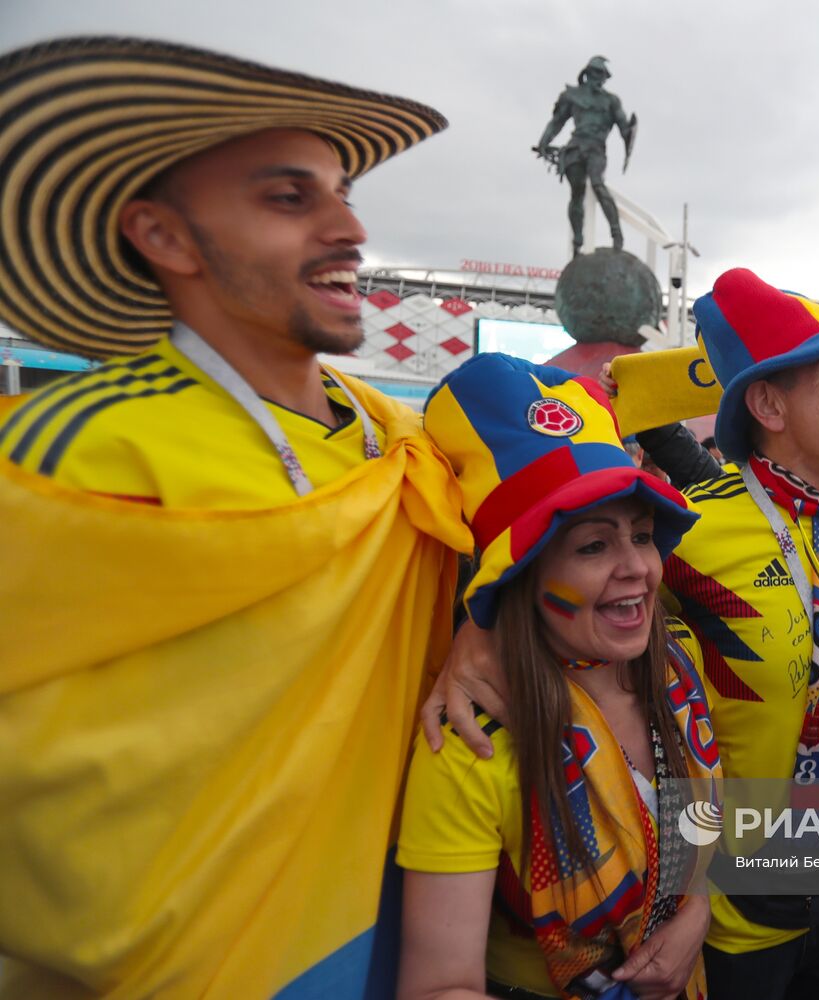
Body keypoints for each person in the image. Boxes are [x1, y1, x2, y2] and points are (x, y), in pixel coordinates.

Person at [0, 37, 471, 998]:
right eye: (289, 197)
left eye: (342, 194)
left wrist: (475, 634)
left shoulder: (401, 438)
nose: (348, 227)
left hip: (404, 934)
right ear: (163, 238)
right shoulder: (71, 452)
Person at [426, 268, 819, 999]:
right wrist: (473, 635)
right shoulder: (691, 528)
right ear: (767, 402)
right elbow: (554, 578)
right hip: (732, 924)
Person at [397, 354, 720, 1000]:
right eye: (593, 546)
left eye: (642, 534)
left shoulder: (680, 666)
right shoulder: (471, 745)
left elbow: (706, 830)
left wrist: (699, 913)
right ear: (523, 575)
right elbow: (437, 987)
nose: (637, 567)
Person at [534, 55, 636, 253]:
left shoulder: (611, 101)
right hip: (575, 147)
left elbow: (624, 128)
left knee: (598, 184)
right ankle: (577, 241)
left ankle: (616, 234)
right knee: (577, 192)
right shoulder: (571, 96)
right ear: (587, 73)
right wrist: (543, 143)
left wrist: (630, 132)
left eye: (603, 75)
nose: (600, 78)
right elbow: (557, 122)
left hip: (596, 148)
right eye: (597, 73)